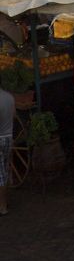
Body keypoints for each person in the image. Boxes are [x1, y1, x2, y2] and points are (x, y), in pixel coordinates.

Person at [0, 76, 15, 216]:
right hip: (8, 138)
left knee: (1, 174)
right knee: (5, 168)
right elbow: (13, 115)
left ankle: (2, 206)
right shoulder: (9, 97)